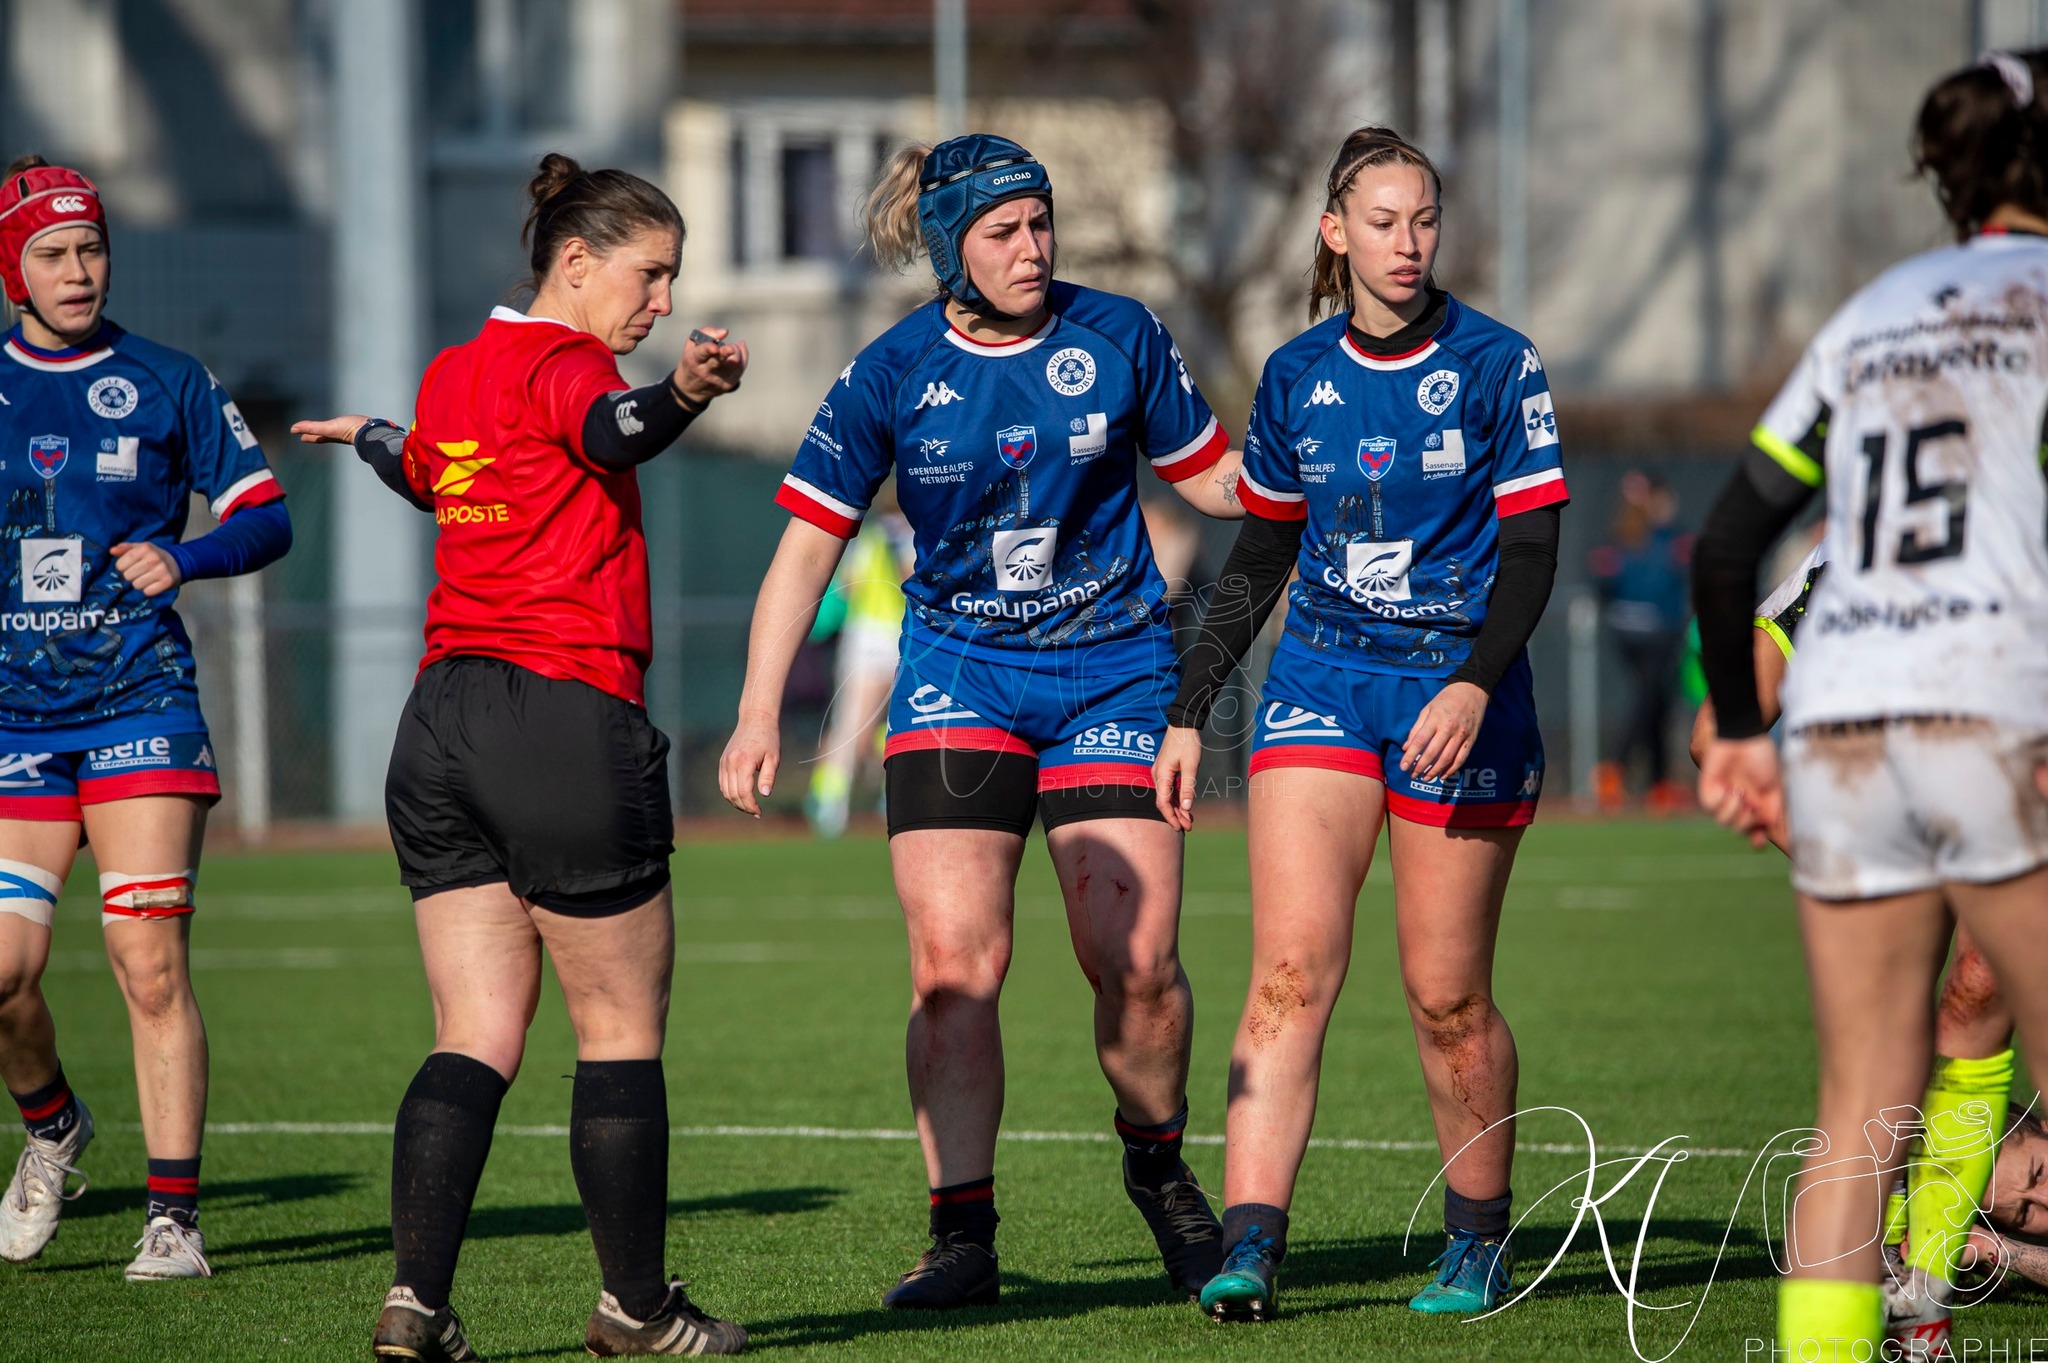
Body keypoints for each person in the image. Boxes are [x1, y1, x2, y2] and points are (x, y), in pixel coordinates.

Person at [720, 134, 1246, 1309]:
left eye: (1039, 223)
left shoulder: (1119, 334)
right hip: (958, 679)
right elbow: (806, 547)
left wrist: (1318, 472)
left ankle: (1159, 1172)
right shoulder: (890, 370)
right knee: (954, 968)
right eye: (1002, 231)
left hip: (1112, 675)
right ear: (949, 248)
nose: (1031, 247)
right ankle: (960, 1234)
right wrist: (757, 711)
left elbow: (1214, 479)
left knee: (1137, 962)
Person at [292, 154, 747, 1361]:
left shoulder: (457, 369)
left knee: (473, 1029)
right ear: (576, 262)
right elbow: (612, 430)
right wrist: (685, 390)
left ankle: (416, 1303)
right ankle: (635, 1309)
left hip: (439, 722)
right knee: (619, 1026)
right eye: (650, 274)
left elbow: (435, 474)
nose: (661, 300)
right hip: (559, 714)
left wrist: (370, 435)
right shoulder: (571, 364)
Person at [1151, 125, 1567, 1321]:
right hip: (1322, 685)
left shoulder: (1496, 363)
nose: (1406, 242)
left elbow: (1531, 553)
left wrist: (1473, 681)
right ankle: (1248, 1247)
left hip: (1456, 699)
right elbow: (1260, 552)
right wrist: (1187, 708)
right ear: (1335, 233)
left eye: (1422, 220)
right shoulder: (1293, 374)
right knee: (1285, 973)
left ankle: (1475, 1240)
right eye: (1382, 222)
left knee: (1446, 997)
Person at [1693, 50, 2048, 1362]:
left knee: (1856, 1108)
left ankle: (1888, 1318)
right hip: (1987, 706)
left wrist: (1742, 733)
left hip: (1845, 721)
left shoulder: (1875, 310)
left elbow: (1726, 545)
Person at [0, 157, 293, 1281]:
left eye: (92, 248)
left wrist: (187, 554)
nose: (78, 270)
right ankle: (52, 1126)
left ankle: (173, 1220)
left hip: (139, 700)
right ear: (15, 271)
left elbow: (264, 515)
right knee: (6, 975)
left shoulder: (168, 379)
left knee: (147, 960)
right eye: (52, 254)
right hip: (18, 723)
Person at [1688, 540, 2018, 1354]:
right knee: (1879, 1053)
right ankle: (1883, 1265)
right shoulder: (1845, 561)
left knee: (1981, 982)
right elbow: (1713, 733)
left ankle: (1924, 1291)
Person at [805, 507, 911, 838]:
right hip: (897, 636)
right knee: (897, 721)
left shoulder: (869, 538)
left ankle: (831, 802)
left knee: (852, 724)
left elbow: (847, 585)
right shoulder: (911, 537)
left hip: (865, 638)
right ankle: (884, 798)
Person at [1588, 470, 1691, 812]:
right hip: (1654, 632)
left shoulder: (1624, 538)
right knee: (1647, 699)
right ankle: (1614, 767)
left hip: (1631, 630)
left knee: (1656, 700)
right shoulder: (1660, 538)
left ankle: (1659, 782)